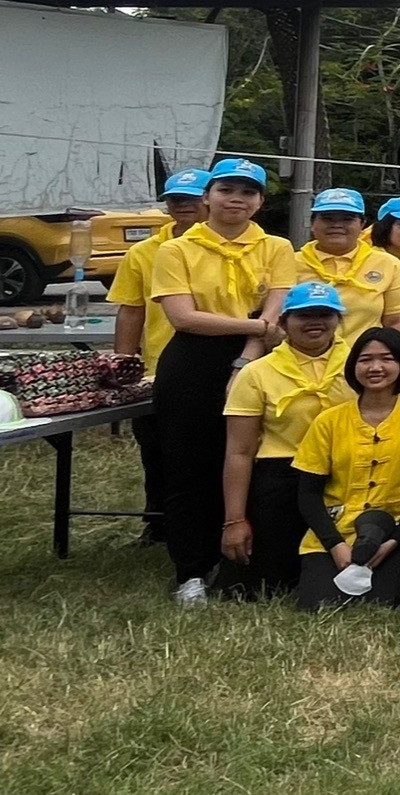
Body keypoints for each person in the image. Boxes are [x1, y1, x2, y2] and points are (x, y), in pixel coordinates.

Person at [147, 157, 295, 605]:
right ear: (207, 197)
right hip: (193, 362)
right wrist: (255, 327)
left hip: (258, 359)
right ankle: (191, 570)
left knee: (248, 459)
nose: (236, 199)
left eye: (247, 192)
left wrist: (247, 358)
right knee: (188, 465)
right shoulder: (177, 250)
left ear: (260, 202)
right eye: (226, 190)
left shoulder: (277, 247)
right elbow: (184, 317)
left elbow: (277, 307)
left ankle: (238, 559)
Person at [216, 281, 355, 600]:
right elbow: (239, 451)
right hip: (282, 477)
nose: (315, 322)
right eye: (304, 315)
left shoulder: (360, 365)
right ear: (283, 322)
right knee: (263, 585)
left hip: (349, 474)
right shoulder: (256, 373)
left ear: (338, 320)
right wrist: (234, 520)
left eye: (325, 314)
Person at [292, 327, 400, 612]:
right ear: (353, 366)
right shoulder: (329, 421)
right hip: (338, 530)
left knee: (378, 603)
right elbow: (308, 493)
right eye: (365, 359)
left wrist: (393, 541)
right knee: (319, 605)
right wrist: (336, 545)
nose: (375, 367)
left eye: (387, 359)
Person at [106, 166, 209, 540]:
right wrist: (123, 366)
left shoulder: (231, 247)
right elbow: (131, 309)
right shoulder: (144, 252)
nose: (183, 205)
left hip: (215, 363)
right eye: (175, 199)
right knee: (156, 448)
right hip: (159, 367)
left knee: (208, 450)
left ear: (210, 200)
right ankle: (158, 520)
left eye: (191, 198)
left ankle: (207, 524)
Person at [296, 188, 400, 342]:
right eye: (327, 218)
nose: (337, 225)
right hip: (299, 356)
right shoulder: (291, 262)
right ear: (312, 223)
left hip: (365, 356)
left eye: (347, 219)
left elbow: (399, 322)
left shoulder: (387, 264)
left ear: (362, 224)